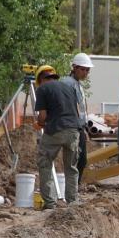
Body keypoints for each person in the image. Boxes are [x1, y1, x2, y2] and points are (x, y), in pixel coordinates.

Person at [34, 64, 81, 209]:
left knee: (45, 162)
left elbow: (42, 116)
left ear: (41, 79)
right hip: (74, 130)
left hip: (56, 129)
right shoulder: (69, 88)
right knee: (71, 167)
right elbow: (76, 111)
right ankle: (72, 202)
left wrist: (40, 123)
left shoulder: (42, 89)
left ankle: (50, 203)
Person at [60, 53, 94, 184]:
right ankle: (72, 189)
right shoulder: (67, 83)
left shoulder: (77, 84)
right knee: (74, 160)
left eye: (87, 70)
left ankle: (75, 187)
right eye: (83, 69)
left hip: (79, 127)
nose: (85, 72)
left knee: (81, 160)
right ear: (74, 67)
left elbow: (81, 107)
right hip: (71, 127)